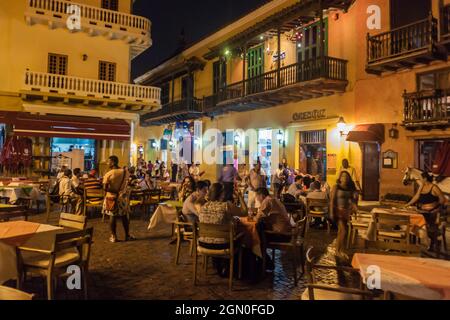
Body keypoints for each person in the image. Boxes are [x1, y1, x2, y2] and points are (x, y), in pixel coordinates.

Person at [198, 183, 244, 276]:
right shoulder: (226, 205)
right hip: (222, 246)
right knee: (241, 238)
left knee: (219, 237)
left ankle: (218, 265)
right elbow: (244, 212)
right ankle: (235, 270)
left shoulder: (203, 206)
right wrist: (240, 197)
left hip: (204, 244)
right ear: (222, 194)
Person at [405, 171, 446, 252]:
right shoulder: (421, 186)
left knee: (424, 221)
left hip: (431, 212)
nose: (420, 180)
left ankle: (429, 241)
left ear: (425, 179)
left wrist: (435, 207)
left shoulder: (434, 187)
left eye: (421, 178)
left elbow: (442, 199)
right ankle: (411, 242)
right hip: (421, 211)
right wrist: (407, 204)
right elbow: (416, 197)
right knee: (410, 218)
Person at [102, 155, 134, 243]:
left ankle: (113, 236)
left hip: (111, 197)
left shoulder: (109, 173)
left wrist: (115, 190)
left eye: (108, 162)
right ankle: (127, 235)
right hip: (122, 198)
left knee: (112, 217)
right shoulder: (125, 172)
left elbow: (105, 187)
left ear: (112, 162)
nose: (107, 163)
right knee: (124, 217)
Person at [330, 171, 358, 259]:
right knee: (343, 231)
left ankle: (338, 250)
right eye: (343, 176)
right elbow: (332, 200)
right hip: (337, 211)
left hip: (345, 213)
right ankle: (339, 251)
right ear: (340, 178)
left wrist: (354, 204)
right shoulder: (336, 187)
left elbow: (352, 201)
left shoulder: (349, 188)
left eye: (346, 177)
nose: (344, 178)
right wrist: (331, 212)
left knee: (341, 232)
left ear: (349, 178)